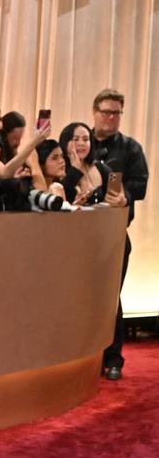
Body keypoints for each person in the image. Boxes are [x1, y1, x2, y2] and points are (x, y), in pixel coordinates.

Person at [91, 88, 149, 379]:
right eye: (106, 112)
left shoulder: (130, 148)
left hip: (114, 233)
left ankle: (113, 359)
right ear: (95, 112)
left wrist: (125, 196)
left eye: (116, 113)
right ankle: (84, 358)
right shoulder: (80, 141)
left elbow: (141, 185)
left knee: (112, 295)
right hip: (80, 234)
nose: (111, 118)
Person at [59, 122, 110, 205]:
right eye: (76, 139)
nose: (81, 144)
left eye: (86, 139)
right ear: (65, 143)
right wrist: (75, 169)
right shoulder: (59, 167)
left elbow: (116, 193)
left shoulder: (101, 167)